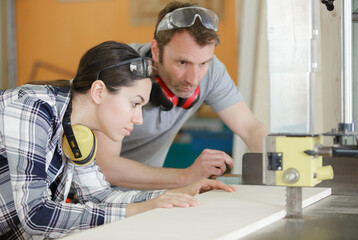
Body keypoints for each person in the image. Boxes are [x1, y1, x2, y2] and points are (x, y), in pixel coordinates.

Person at [0, 40, 236, 239]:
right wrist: (137, 209)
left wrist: (178, 194)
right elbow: (36, 215)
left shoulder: (79, 132)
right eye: (135, 103)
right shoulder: (32, 108)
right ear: (99, 92)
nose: (139, 118)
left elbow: (101, 196)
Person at [95, 1, 269, 191]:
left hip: (146, 193)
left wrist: (281, 162)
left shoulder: (211, 72)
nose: (194, 80)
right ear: (156, 50)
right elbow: (106, 166)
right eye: (182, 62)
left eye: (203, 63)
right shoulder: (120, 72)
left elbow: (250, 127)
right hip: (95, 193)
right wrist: (186, 176)